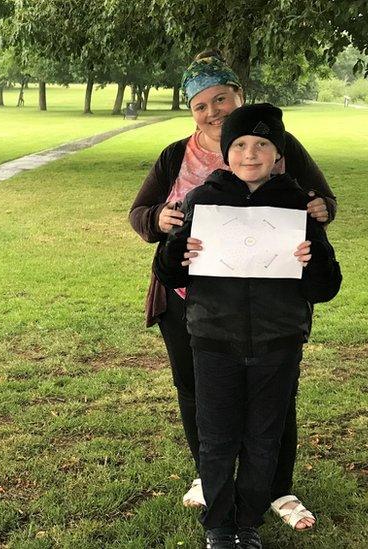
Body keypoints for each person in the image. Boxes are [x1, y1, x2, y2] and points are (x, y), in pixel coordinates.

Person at [128, 51, 336, 531]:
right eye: (201, 105)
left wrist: (321, 211)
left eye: (221, 98)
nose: (213, 111)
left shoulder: (278, 145)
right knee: (196, 393)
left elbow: (322, 202)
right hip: (190, 303)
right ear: (192, 112)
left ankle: (277, 487)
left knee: (275, 400)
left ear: (238, 95)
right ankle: (209, 476)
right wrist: (157, 220)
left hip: (272, 302)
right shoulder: (175, 156)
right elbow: (140, 214)